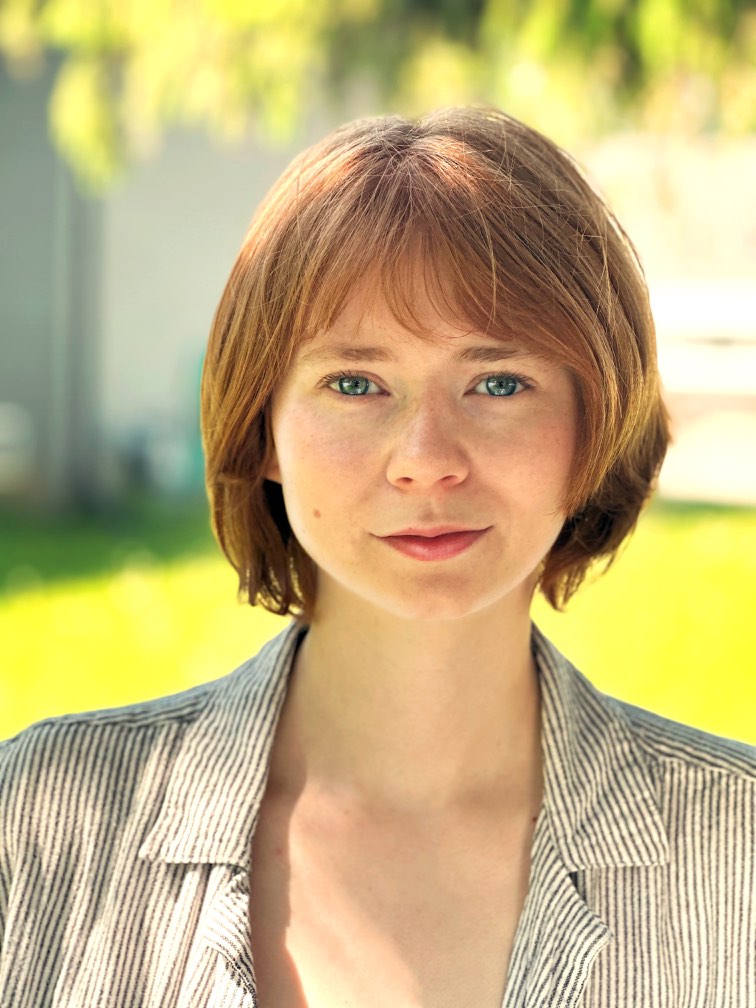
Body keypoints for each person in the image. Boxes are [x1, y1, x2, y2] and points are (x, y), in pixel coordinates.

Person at [0, 107, 753, 1008]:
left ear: (594, 425)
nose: (427, 458)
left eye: (499, 383)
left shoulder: (737, 840)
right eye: (355, 383)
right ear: (264, 427)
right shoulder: (37, 824)